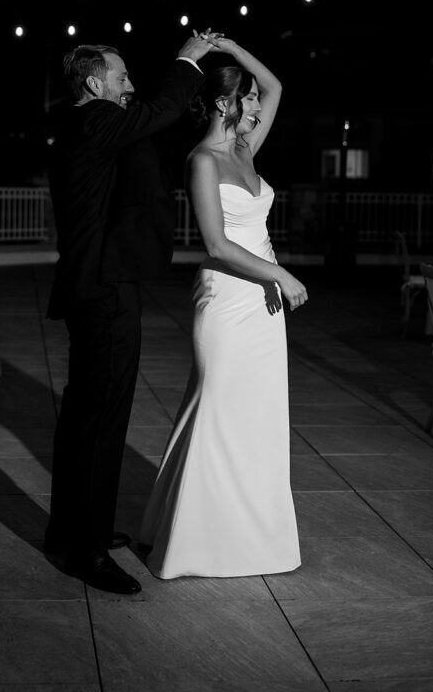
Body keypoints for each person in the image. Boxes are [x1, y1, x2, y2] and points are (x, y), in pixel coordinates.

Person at [45, 32, 222, 595]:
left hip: (96, 286)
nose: (130, 86)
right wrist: (189, 60)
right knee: (101, 422)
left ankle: (73, 531)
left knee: (85, 418)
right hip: (104, 293)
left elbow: (150, 138)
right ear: (95, 85)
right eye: (121, 78)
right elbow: (162, 108)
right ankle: (87, 553)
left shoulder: (92, 128)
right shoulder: (93, 122)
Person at [140, 36, 307, 579]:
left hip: (263, 305)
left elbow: (279, 85)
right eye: (249, 99)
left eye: (255, 101)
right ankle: (193, 540)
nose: (258, 106)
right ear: (223, 104)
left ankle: (252, 537)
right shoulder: (204, 160)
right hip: (228, 298)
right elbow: (215, 244)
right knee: (216, 408)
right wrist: (279, 273)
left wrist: (232, 47)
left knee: (257, 416)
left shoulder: (244, 149)